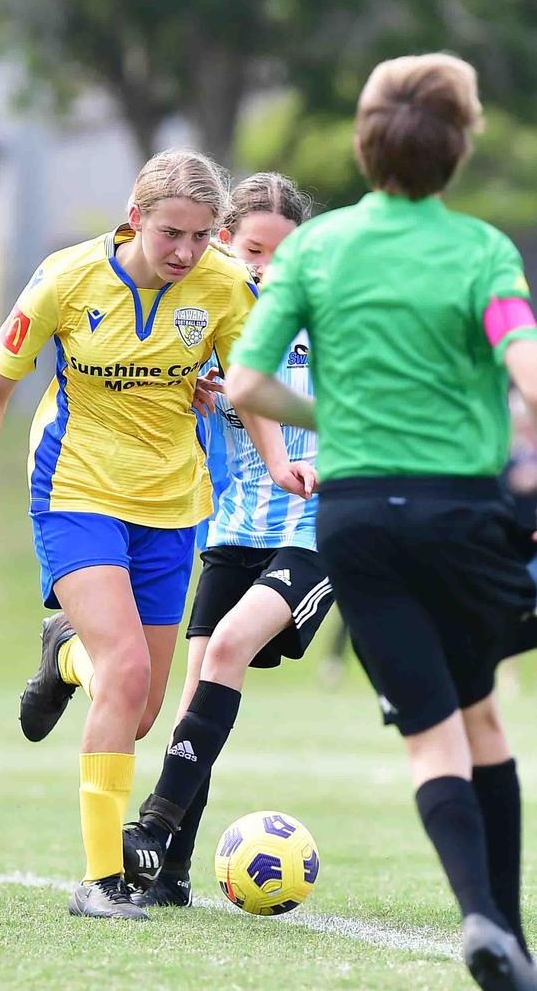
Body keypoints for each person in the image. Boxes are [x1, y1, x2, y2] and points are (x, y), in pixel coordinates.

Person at [226, 55, 537, 990]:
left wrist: (341, 423)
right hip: (461, 511)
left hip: (355, 521)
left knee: (440, 729)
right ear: (461, 150)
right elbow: (526, 368)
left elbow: (246, 383)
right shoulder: (484, 252)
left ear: (364, 148)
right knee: (483, 713)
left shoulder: (316, 253)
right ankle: (500, 926)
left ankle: (490, 923)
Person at [0, 148, 264, 922]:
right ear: (134, 218)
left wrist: (286, 458)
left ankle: (65, 652)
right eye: (171, 235)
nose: (187, 253)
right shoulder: (66, 278)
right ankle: (101, 882)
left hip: (172, 503)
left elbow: (249, 387)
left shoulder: (223, 286)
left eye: (201, 236)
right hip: (75, 490)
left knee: (142, 706)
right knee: (124, 676)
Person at [124, 173, 334, 907]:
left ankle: (151, 821)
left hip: (314, 529)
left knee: (226, 647)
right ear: (223, 243)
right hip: (230, 532)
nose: (266, 268)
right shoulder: (203, 325)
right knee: (195, 700)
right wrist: (191, 393)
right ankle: (169, 874)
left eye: (284, 253)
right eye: (252, 249)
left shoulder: (328, 326)